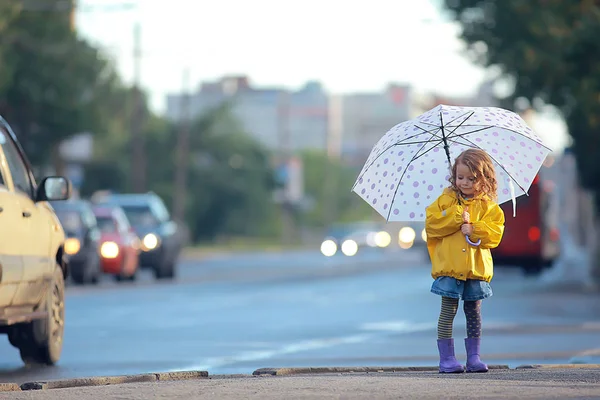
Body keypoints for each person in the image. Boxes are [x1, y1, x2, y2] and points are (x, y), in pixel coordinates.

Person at [425, 148, 505, 373]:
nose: (465, 183)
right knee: (448, 311)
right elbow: (431, 225)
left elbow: (495, 234)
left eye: (472, 178)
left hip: (475, 270)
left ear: (485, 179)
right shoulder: (446, 200)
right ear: (454, 176)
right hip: (450, 268)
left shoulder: (489, 207)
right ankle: (447, 359)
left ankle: (474, 357)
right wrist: (455, 217)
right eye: (460, 177)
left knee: (473, 312)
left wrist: (474, 228)